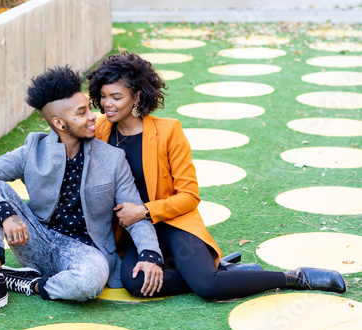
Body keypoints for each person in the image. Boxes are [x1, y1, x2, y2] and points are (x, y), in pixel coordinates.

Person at [86, 53, 346, 300]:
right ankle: (227, 272)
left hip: (173, 222)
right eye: (104, 96)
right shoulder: (99, 129)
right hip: (137, 230)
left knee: (207, 287)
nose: (107, 104)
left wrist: (143, 210)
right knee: (135, 282)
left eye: (116, 97)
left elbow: (189, 196)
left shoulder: (168, 131)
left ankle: (293, 277)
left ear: (137, 96)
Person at [0, 66, 164, 320]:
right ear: (59, 123)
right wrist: (7, 216)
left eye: (89, 108)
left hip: (86, 252)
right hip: (35, 238)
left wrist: (150, 255)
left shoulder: (112, 159)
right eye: (82, 113)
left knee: (91, 282)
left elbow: (134, 212)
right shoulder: (33, 149)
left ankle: (29, 283)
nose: (94, 117)